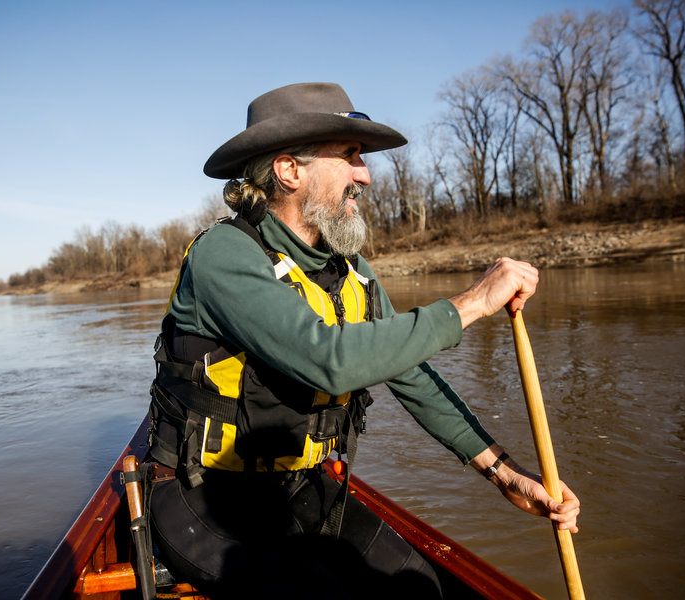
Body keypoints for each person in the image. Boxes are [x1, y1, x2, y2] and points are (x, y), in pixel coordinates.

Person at [145, 82, 580, 599]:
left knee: (421, 589)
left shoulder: (351, 272)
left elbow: (411, 373)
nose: (365, 175)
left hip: (297, 488)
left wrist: (502, 471)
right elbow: (328, 361)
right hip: (203, 496)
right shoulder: (223, 255)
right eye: (350, 156)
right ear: (289, 170)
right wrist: (473, 303)